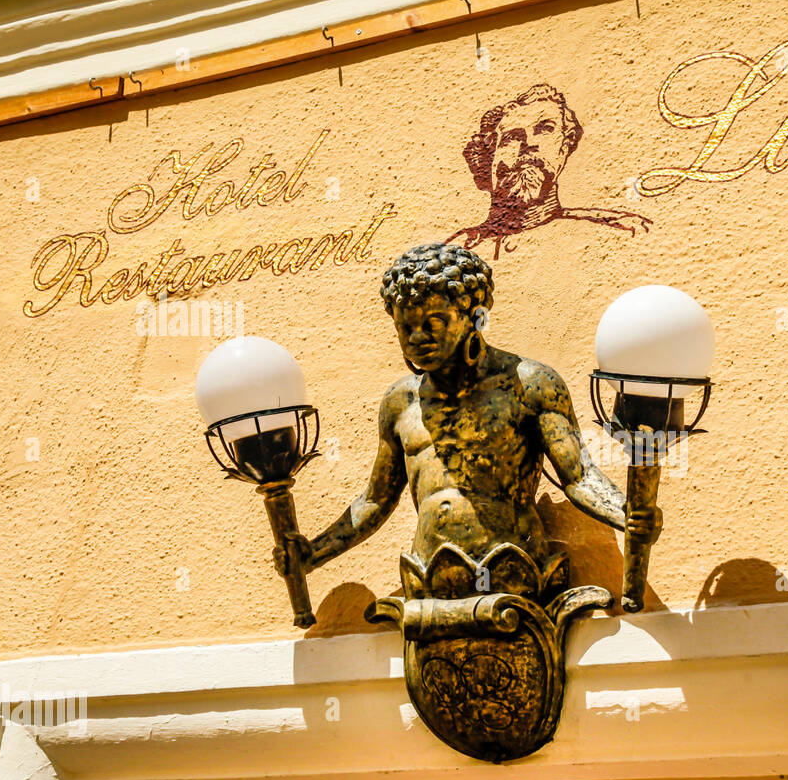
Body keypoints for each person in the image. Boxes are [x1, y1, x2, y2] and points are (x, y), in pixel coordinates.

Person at [274, 242, 659, 584]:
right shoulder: (400, 402)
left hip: (515, 570)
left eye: (433, 322)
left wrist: (626, 515)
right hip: (427, 575)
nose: (417, 338)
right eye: (405, 327)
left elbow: (578, 475)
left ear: (473, 317)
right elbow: (376, 500)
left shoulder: (529, 383)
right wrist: (312, 553)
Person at [447, 84, 651, 258]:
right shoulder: (452, 253)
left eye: (545, 130)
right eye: (511, 137)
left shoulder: (617, 231)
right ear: (488, 158)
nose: (528, 143)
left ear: (564, 149)